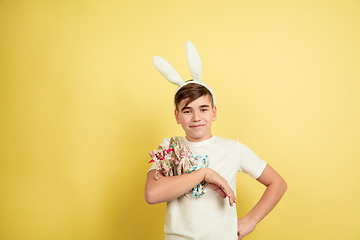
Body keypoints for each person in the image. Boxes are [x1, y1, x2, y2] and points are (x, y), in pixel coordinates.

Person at [145, 41, 287, 240]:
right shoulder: (170, 147)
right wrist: (204, 174)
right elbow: (152, 194)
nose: (196, 117)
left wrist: (252, 220)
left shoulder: (233, 149)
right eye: (187, 111)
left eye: (203, 109)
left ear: (214, 112)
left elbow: (277, 183)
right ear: (177, 116)